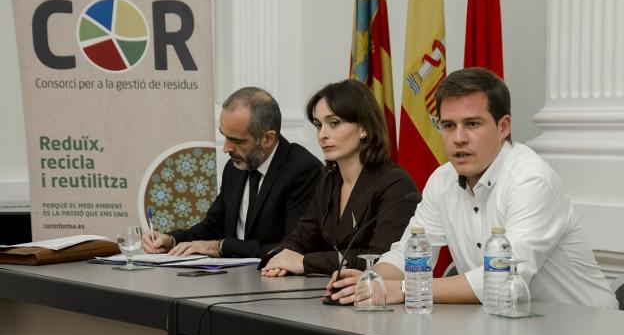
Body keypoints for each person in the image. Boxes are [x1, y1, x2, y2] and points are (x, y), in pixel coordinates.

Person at [326, 68, 618, 309]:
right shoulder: (442, 180)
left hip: (583, 328)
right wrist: (369, 280)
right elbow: (410, 252)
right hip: (506, 324)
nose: (459, 138)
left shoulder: (530, 181)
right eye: (449, 126)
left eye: (473, 124)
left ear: (503, 127)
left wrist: (403, 288)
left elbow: (501, 277)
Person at [260, 79, 419, 277]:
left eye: (334, 123)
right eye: (319, 125)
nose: (322, 135)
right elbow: (300, 237)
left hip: (379, 298)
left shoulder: (396, 184)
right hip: (330, 291)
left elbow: (381, 258)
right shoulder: (329, 179)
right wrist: (279, 259)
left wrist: (305, 262)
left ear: (364, 128)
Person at [142, 87, 322, 258]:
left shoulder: (302, 170)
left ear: (268, 139)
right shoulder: (235, 167)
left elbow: (292, 248)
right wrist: (172, 240)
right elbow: (213, 226)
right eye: (224, 136)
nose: (226, 148)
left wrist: (220, 247)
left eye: (237, 140)